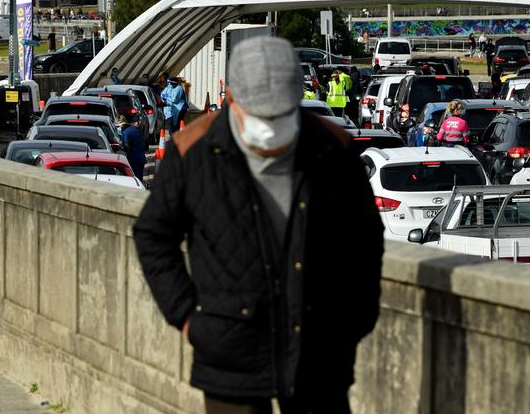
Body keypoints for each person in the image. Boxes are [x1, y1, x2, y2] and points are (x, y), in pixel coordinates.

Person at [133, 36, 384, 414]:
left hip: (320, 352)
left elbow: (364, 241)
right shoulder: (192, 151)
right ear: (231, 100)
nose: (271, 127)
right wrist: (186, 315)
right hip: (230, 354)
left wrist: (355, 320)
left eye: (282, 115)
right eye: (260, 116)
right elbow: (153, 235)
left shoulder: (334, 151)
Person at [119, 114, 147, 180]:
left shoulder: (126, 132)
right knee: (140, 178)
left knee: (134, 179)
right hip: (140, 159)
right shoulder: (137, 131)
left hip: (133, 160)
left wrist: (121, 149)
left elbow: (126, 146)